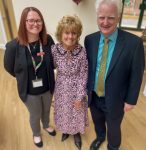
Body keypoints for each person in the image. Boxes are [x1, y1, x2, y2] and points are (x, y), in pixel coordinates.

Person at [84, 0, 145, 150]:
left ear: (118, 17)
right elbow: (88, 68)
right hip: (94, 95)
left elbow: (136, 74)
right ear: (97, 17)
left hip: (116, 98)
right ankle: (100, 137)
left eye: (110, 17)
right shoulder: (89, 40)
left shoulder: (134, 43)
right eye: (101, 17)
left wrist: (131, 100)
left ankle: (113, 146)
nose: (105, 22)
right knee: (97, 121)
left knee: (114, 126)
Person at [4, 7, 56, 148]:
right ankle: (36, 133)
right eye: (31, 20)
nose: (35, 23)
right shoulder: (13, 46)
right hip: (29, 90)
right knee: (35, 114)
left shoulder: (47, 40)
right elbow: (9, 68)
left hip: (47, 86)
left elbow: (53, 62)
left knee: (46, 110)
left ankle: (46, 125)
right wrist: (22, 76)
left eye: (38, 20)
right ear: (24, 22)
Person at [51, 15, 88, 150]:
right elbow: (52, 67)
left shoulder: (82, 51)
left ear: (77, 35)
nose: (70, 36)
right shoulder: (54, 50)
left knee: (76, 112)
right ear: (61, 33)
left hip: (76, 88)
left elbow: (84, 75)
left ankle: (76, 133)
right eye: (67, 32)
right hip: (60, 87)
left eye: (74, 33)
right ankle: (66, 130)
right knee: (64, 111)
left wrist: (79, 96)